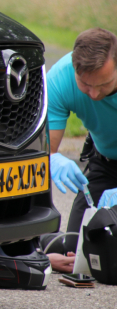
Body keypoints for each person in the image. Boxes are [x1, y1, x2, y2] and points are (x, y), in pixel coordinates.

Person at [45, 28, 117, 273]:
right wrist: (52, 159)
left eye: (104, 85)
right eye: (85, 85)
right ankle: (34, 247)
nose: (95, 94)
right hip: (105, 162)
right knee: (77, 251)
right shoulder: (60, 79)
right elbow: (46, 149)